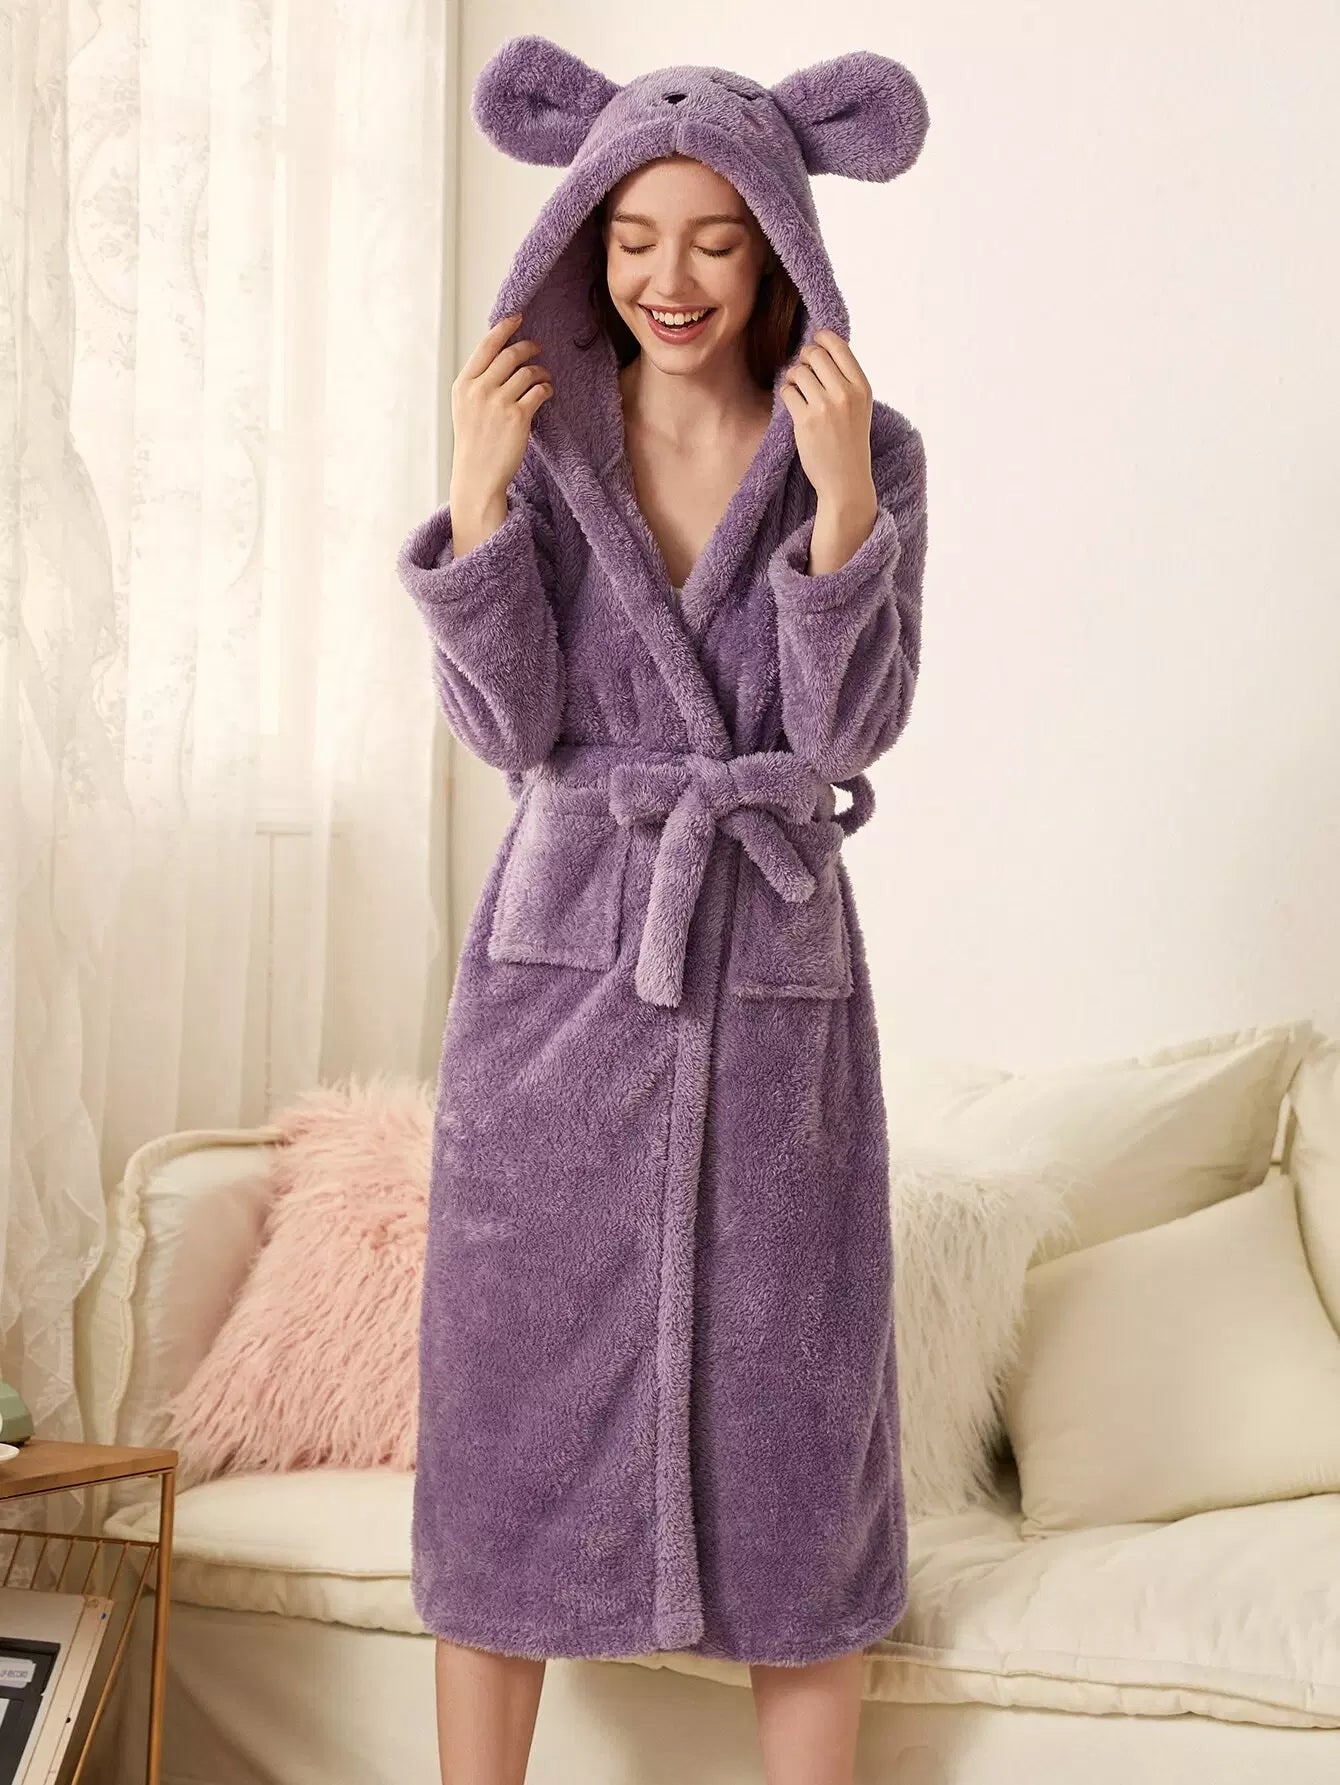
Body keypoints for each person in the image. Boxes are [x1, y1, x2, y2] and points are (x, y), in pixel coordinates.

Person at [396, 37, 930, 1785]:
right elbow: (510, 730)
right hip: (557, 989)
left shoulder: (865, 448)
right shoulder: (545, 444)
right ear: (586, 239)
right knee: (512, 1428)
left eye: (713, 238)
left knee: (798, 1436)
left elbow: (841, 738)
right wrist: (478, 497)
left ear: (779, 246)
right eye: (633, 238)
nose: (669, 277)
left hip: (771, 971)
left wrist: (843, 509)